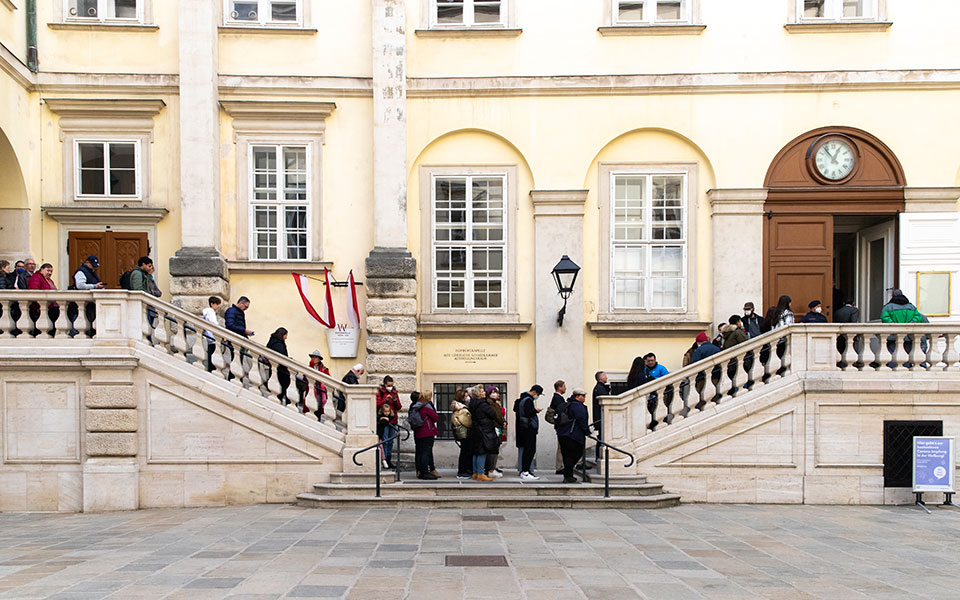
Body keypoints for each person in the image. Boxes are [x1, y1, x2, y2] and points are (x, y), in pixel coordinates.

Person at [557, 388, 590, 484]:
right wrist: (587, 431)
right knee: (577, 453)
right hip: (573, 435)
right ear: (577, 396)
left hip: (563, 433)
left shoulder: (568, 404)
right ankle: (568, 474)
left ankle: (568, 476)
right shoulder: (578, 406)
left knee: (567, 455)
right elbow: (582, 419)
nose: (584, 398)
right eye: (583, 396)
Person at [468, 385, 500, 482]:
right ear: (478, 394)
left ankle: (475, 473)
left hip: (476, 430)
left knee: (476, 452)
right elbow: (493, 414)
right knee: (482, 452)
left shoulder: (472, 403)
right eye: (482, 391)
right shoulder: (483, 404)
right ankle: (481, 473)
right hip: (484, 430)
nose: (485, 393)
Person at [515, 384, 542, 480]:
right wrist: (535, 411)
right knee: (529, 450)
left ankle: (525, 471)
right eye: (538, 394)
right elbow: (527, 413)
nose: (537, 396)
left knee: (528, 450)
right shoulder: (528, 401)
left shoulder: (524, 399)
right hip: (528, 428)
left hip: (526, 428)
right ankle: (525, 471)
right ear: (534, 392)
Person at [411, 391, 440, 480]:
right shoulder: (426, 407)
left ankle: (420, 472)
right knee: (426, 453)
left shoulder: (414, 407)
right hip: (427, 432)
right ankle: (425, 473)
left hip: (418, 432)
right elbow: (436, 418)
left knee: (420, 452)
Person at [376, 376, 402, 470]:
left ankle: (389, 459)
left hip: (393, 419)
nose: (390, 387)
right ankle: (384, 459)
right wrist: (385, 400)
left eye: (391, 385)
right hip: (383, 421)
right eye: (388, 385)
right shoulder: (380, 392)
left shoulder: (395, 392)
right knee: (385, 440)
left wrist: (395, 401)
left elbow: (399, 407)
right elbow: (377, 404)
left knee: (390, 441)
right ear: (385, 384)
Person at [27, 263, 59, 333]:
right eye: (48, 270)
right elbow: (34, 293)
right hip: (41, 308)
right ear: (41, 270)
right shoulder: (36, 278)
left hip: (50, 307)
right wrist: (38, 306)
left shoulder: (49, 280)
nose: (50, 273)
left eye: (51, 271)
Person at [451, 389, 474, 479]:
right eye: (465, 396)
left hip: (462, 432)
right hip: (466, 432)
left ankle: (463, 470)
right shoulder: (462, 409)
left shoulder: (458, 407)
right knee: (466, 452)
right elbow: (467, 422)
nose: (467, 397)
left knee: (464, 451)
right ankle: (463, 471)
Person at [266, 328, 291, 404]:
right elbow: (282, 356)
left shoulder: (273, 341)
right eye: (286, 335)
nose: (286, 337)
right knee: (284, 386)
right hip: (280, 370)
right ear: (283, 334)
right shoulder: (278, 344)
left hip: (275, 369)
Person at [484, 386, 505, 478]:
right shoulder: (489, 404)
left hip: (498, 427)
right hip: (493, 428)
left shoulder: (496, 404)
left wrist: (503, 422)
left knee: (495, 449)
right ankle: (490, 469)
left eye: (496, 392)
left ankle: (492, 467)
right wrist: (501, 422)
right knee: (492, 449)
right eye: (494, 392)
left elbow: (500, 415)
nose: (496, 394)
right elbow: (495, 416)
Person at [547, 379, 567, 474]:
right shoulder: (558, 398)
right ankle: (560, 467)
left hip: (559, 426)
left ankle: (560, 466)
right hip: (561, 426)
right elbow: (562, 413)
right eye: (564, 386)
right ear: (559, 387)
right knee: (561, 447)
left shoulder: (556, 397)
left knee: (561, 446)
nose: (565, 388)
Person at [591, 372, 610, 462]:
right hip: (601, 417)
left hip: (598, 418)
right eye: (605, 375)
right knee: (601, 438)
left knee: (600, 437)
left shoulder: (598, 388)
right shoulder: (600, 388)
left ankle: (598, 456)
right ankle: (599, 456)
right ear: (601, 378)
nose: (606, 377)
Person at [306, 350, 329, 421]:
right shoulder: (309, 367)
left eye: (315, 357)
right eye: (312, 357)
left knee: (318, 407)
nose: (313, 359)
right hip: (311, 390)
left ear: (319, 359)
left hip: (319, 391)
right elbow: (305, 378)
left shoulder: (324, 369)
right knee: (310, 406)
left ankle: (317, 420)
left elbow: (328, 378)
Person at [202, 296, 222, 372]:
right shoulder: (211, 312)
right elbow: (214, 323)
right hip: (212, 336)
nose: (218, 306)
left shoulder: (207, 312)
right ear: (212, 304)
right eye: (217, 304)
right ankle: (212, 369)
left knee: (211, 353)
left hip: (209, 336)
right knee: (212, 354)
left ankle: (211, 368)